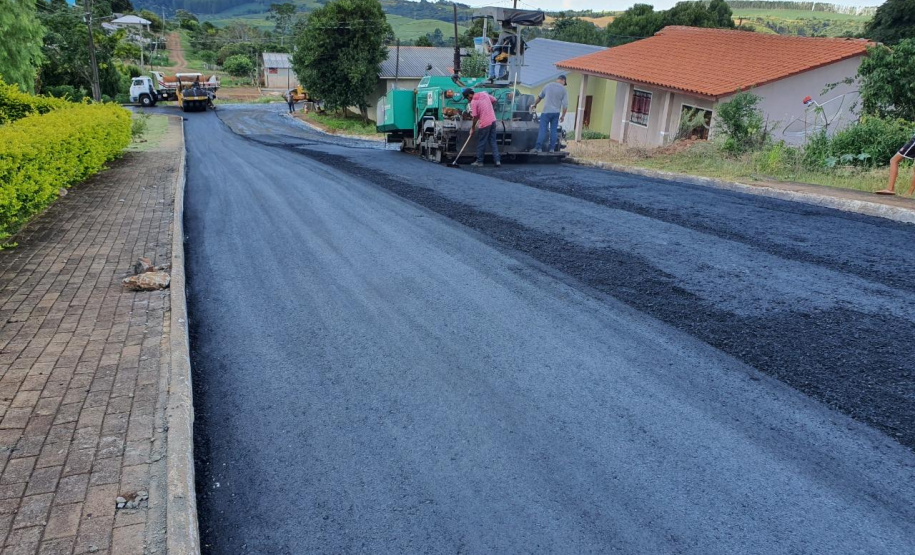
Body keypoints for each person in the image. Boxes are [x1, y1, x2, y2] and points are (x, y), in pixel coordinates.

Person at [462, 88, 501, 167]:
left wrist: (472, 128)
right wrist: (488, 109)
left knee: (481, 142)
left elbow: (475, 117)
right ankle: (497, 161)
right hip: (493, 120)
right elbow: (494, 100)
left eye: (467, 97)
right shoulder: (484, 94)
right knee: (493, 141)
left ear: (470, 95)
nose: (467, 100)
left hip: (485, 123)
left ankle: (479, 161)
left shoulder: (474, 102)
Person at [531, 75, 568, 153]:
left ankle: (538, 148)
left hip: (546, 112)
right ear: (563, 81)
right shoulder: (563, 90)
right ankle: (551, 149)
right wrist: (563, 116)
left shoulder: (548, 85)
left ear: (557, 79)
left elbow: (540, 97)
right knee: (553, 131)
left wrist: (534, 104)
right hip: (556, 113)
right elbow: (565, 105)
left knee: (543, 130)